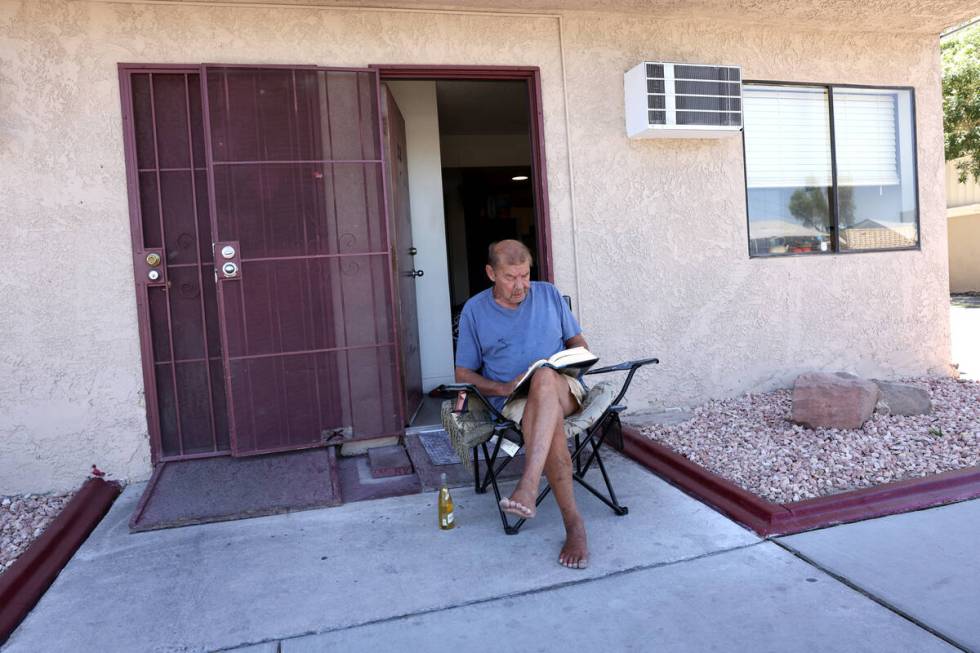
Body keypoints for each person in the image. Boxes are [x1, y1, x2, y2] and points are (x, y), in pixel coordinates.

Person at [455, 239, 590, 569]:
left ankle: (528, 485)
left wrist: (574, 360)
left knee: (544, 376)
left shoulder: (548, 294)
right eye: (510, 277)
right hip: (514, 399)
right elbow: (463, 372)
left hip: (564, 389)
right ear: (491, 273)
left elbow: (579, 344)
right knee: (548, 419)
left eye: (525, 276)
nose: (520, 286)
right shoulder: (475, 310)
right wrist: (500, 385)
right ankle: (574, 526)